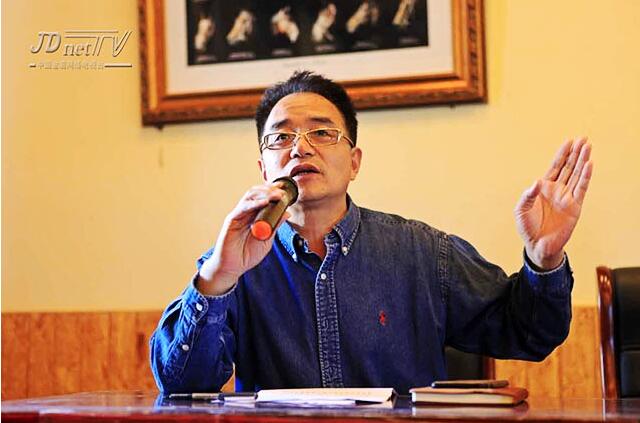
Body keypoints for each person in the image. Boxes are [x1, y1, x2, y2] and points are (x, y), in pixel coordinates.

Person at [150, 71, 593, 394]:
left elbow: (529, 334)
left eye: (322, 133)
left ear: (354, 162)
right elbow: (180, 385)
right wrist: (219, 276)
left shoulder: (424, 252)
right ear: (264, 168)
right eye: (280, 138)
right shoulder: (232, 262)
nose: (300, 148)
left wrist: (544, 259)